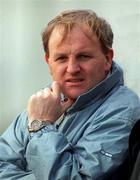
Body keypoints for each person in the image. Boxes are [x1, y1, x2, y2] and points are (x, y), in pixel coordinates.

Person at [0, 9, 140, 180]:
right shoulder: (44, 103)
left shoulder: (123, 112)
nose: (72, 69)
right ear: (49, 62)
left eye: (83, 56)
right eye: (61, 58)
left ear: (107, 59)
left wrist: (41, 127)